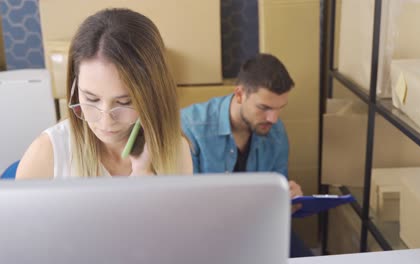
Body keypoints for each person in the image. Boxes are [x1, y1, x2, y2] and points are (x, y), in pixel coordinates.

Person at [17, 8, 192, 179]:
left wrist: (143, 174)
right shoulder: (47, 152)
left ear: (153, 94)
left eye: (124, 102)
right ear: (74, 87)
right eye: (91, 99)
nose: (106, 122)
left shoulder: (176, 150)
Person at [181, 53, 312, 257]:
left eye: (280, 109)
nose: (273, 119)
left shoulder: (275, 132)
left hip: (260, 228)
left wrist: (286, 199)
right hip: (206, 233)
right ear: (240, 94)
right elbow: (185, 207)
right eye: (264, 108)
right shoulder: (190, 127)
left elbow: (275, 192)